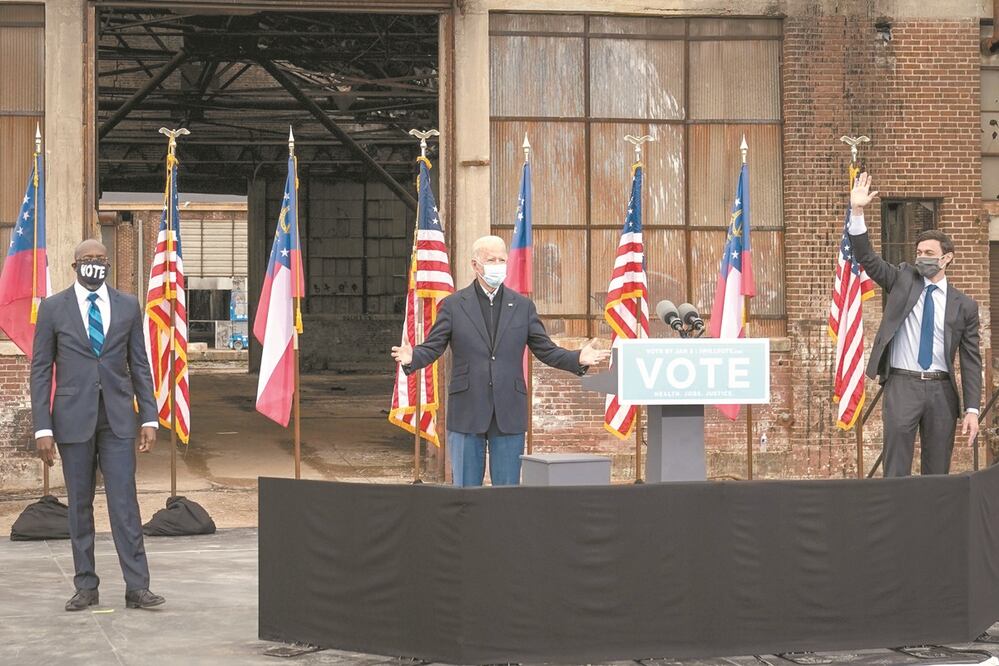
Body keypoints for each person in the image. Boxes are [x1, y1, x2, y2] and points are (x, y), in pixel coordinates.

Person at [391, 235, 610, 486]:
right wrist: (413, 357)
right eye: (490, 260)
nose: (497, 265)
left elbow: (545, 349)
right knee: (465, 491)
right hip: (467, 408)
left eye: (501, 260)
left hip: (509, 408)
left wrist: (577, 358)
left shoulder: (522, 306)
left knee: (506, 492)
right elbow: (434, 346)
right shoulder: (453, 305)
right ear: (475, 265)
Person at [30, 239, 165, 611]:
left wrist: (149, 416)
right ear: (75, 265)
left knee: (125, 505)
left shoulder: (127, 305)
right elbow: (41, 369)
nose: (95, 264)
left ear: (108, 265)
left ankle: (137, 587)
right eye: (88, 260)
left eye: (101, 259)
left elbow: (140, 363)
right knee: (79, 506)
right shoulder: (53, 308)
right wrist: (43, 427)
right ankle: (86, 586)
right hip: (72, 421)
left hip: (118, 420)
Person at [848, 172, 981, 476]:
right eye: (919, 253)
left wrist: (972, 409)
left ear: (946, 258)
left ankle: (931, 523)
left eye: (929, 254)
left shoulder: (965, 306)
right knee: (896, 468)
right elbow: (867, 258)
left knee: (937, 472)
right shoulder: (902, 279)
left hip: (941, 391)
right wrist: (857, 211)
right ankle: (894, 522)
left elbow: (971, 361)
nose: (922, 258)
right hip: (902, 385)